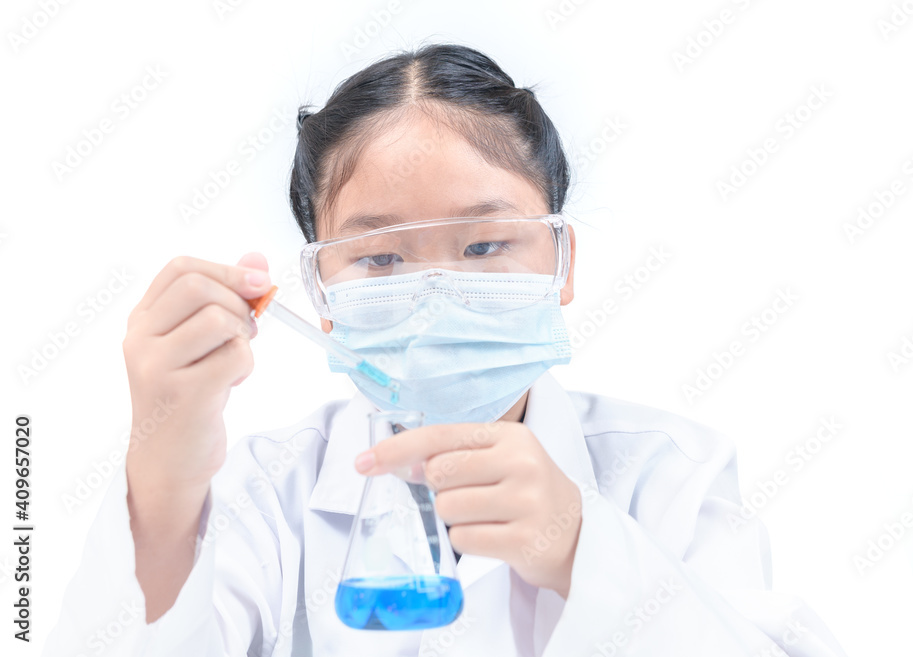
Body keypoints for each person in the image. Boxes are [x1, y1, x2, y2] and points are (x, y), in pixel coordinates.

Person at [44, 43, 847, 656]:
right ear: (320, 292)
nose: (435, 292)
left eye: (486, 244)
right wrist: (163, 474)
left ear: (561, 264)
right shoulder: (266, 493)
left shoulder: (669, 474)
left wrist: (584, 546)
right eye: (382, 258)